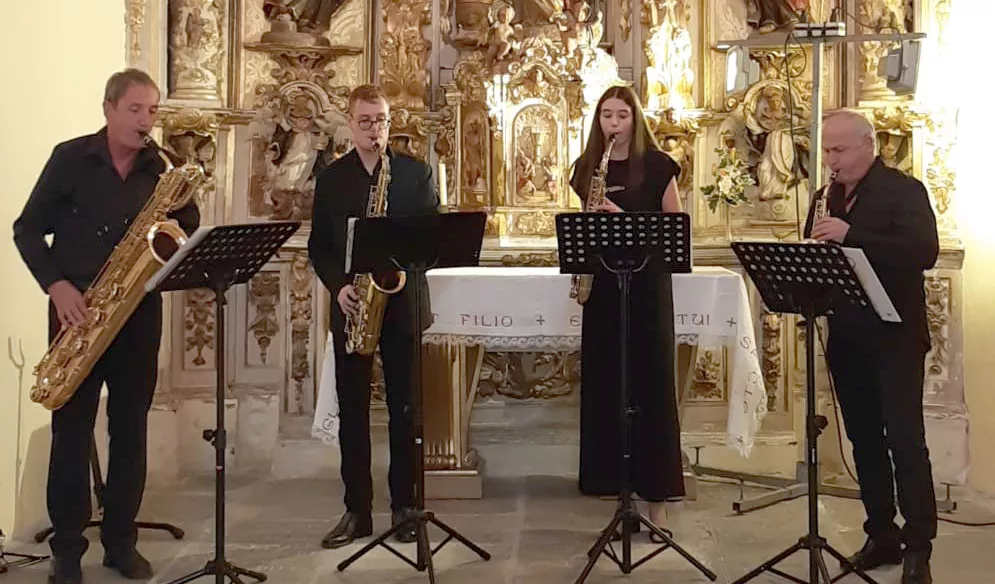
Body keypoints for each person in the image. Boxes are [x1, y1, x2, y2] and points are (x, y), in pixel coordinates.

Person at [12, 69, 201, 584]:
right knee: (70, 432)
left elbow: (187, 227)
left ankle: (120, 542)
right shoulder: (70, 158)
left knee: (129, 430)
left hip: (136, 314)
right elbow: (27, 229)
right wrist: (56, 285)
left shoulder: (161, 170)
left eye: (153, 111)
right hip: (76, 312)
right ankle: (67, 551)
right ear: (109, 109)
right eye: (136, 109)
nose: (146, 121)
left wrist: (174, 237)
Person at [804, 109, 939, 584]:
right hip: (849, 333)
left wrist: (851, 235)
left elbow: (923, 252)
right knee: (863, 439)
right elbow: (817, 252)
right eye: (826, 151)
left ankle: (918, 546)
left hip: (896, 335)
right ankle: (880, 532)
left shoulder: (903, 190)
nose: (831, 160)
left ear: (868, 144)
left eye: (838, 150)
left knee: (904, 440)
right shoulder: (827, 197)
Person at [308, 84, 439, 549]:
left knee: (407, 410)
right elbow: (319, 247)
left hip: (402, 304)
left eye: (381, 120)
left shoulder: (414, 174)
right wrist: (338, 286)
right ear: (349, 122)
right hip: (353, 304)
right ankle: (357, 510)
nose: (374, 130)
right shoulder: (333, 179)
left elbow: (431, 239)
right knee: (354, 413)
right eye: (365, 121)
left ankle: (405, 506)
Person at [569, 84, 685, 542]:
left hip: (647, 290)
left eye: (621, 116)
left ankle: (658, 506)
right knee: (610, 392)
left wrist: (621, 216)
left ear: (635, 120)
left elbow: (676, 226)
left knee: (651, 392)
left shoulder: (656, 166)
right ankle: (621, 502)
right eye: (606, 117)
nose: (613, 125)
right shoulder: (586, 168)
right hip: (605, 290)